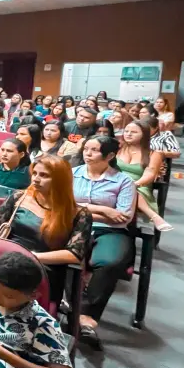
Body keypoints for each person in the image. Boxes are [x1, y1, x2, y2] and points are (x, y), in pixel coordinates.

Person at [0, 155, 92, 304]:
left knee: (13, 277)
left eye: (44, 175)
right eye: (34, 173)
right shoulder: (19, 197)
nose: (36, 179)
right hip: (6, 257)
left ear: (60, 180)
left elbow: (74, 254)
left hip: (42, 265)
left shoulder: (79, 214)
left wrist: (32, 256)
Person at [72, 136, 136, 349]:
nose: (87, 153)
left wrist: (81, 208)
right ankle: (74, 309)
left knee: (109, 262)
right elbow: (64, 205)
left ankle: (86, 315)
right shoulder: (72, 174)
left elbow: (123, 217)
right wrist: (104, 210)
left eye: (94, 150)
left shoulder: (123, 181)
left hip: (110, 231)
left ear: (109, 156)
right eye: (86, 149)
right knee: (67, 255)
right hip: (74, 226)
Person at [117, 120, 172, 231]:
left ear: (144, 134)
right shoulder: (118, 148)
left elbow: (150, 173)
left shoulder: (154, 153)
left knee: (130, 189)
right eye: (126, 131)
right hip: (114, 181)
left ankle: (154, 216)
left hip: (140, 185)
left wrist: (135, 184)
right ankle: (154, 216)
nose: (128, 134)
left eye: (134, 132)